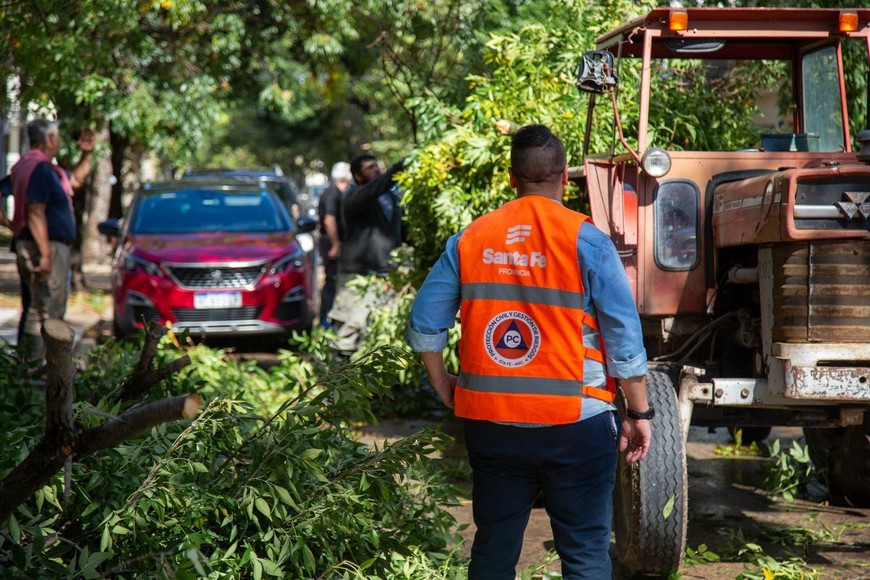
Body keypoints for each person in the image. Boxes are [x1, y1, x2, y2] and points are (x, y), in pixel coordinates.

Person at [405, 125, 651, 579]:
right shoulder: (588, 242)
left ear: (511, 178)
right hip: (577, 422)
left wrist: (442, 383)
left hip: (492, 423)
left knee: (494, 550)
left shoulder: (471, 239)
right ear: (564, 176)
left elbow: (424, 324)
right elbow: (623, 338)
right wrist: (640, 413)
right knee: (585, 555)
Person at [9, 118, 95, 359]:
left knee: (39, 307)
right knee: (45, 311)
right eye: (56, 136)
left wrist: (87, 153)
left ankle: (34, 366)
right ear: (49, 138)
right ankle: (39, 368)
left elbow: (75, 181)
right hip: (46, 247)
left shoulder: (37, 167)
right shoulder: (39, 168)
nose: (59, 141)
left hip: (40, 244)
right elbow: (35, 211)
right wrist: (45, 254)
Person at [328, 152, 404, 353]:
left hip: (384, 274)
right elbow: (375, 188)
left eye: (376, 165)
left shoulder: (390, 198)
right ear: (358, 176)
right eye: (370, 168)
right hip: (357, 274)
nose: (376, 169)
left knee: (378, 331)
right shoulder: (353, 197)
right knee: (349, 330)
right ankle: (338, 370)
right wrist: (399, 167)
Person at [317, 162, 351, 329]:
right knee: (332, 280)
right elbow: (329, 220)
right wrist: (336, 244)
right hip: (330, 244)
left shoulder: (335, 192)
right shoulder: (332, 194)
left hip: (331, 243)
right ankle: (326, 319)